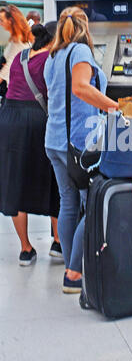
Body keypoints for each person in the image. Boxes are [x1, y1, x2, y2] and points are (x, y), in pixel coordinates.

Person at [44, 6, 119, 294]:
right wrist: (114, 106)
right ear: (85, 27)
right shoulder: (81, 53)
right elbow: (80, 88)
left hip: (55, 140)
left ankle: (69, 265)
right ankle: (75, 273)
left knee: (68, 203)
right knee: (94, 203)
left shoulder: (54, 55)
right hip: (79, 144)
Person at [0, 22, 61, 265]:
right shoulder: (52, 59)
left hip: (9, 120)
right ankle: (58, 243)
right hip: (37, 121)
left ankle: (26, 249)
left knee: (15, 181)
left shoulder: (21, 56)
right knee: (54, 179)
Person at [0, 5, 33, 102]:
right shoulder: (20, 38)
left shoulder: (18, 41)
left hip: (14, 92)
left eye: (2, 20)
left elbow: (8, 67)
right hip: (17, 90)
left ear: (11, 20)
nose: (0, 23)